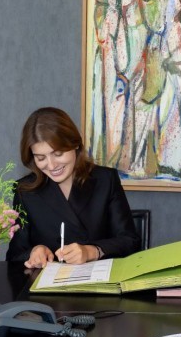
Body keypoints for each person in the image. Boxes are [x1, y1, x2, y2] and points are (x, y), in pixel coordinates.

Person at [7, 107, 141, 267]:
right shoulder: (25, 190)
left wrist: (92, 251)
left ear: (75, 144)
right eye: (41, 158)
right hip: (47, 281)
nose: (51, 165)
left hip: (99, 280)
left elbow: (130, 241)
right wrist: (34, 252)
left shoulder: (106, 179)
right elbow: (14, 255)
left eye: (58, 154)